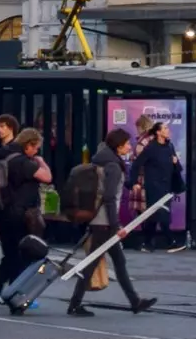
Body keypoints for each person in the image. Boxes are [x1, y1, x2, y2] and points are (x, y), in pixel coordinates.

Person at [64, 128, 156, 317]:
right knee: (92, 264)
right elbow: (109, 197)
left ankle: (135, 301)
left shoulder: (102, 160)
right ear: (119, 146)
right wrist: (116, 226)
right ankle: (74, 304)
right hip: (104, 222)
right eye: (127, 144)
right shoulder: (113, 166)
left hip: (100, 220)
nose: (130, 147)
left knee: (116, 262)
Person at [0, 126, 50, 304]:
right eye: (35, 147)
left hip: (1, 211)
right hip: (18, 213)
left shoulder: (2, 154)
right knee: (22, 253)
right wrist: (41, 161)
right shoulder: (22, 161)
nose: (36, 151)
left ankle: (14, 294)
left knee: (12, 252)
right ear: (28, 145)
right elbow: (47, 177)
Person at [131, 121, 182, 251]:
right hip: (154, 186)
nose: (168, 130)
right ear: (158, 132)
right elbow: (137, 164)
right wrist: (133, 182)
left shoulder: (170, 146)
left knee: (154, 216)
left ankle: (148, 243)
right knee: (160, 214)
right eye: (165, 128)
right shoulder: (151, 148)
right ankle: (171, 241)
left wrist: (176, 163)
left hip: (167, 185)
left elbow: (178, 168)